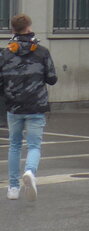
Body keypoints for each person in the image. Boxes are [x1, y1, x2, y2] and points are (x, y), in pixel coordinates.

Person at [1, 14, 58, 201]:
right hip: (36, 106)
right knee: (34, 145)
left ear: (12, 30)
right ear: (29, 27)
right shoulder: (41, 52)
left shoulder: (4, 53)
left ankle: (13, 188)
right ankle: (30, 172)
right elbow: (52, 78)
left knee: (14, 145)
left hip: (14, 107)